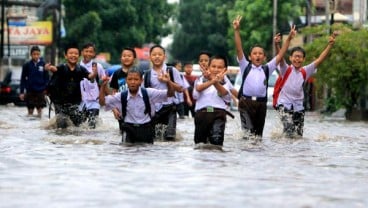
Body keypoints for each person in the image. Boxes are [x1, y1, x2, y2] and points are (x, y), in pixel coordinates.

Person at [233, 15, 295, 138]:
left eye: (260, 53)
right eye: (255, 53)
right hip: (246, 102)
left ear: (264, 57)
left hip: (261, 104)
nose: (258, 56)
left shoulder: (267, 68)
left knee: (258, 136)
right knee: (247, 134)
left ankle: (258, 155)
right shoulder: (245, 66)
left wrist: (288, 39)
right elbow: (239, 49)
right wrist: (236, 30)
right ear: (250, 57)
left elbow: (281, 54)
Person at [275, 33, 336, 137]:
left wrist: (330, 45)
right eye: (295, 57)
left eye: (300, 57)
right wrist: (277, 44)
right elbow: (280, 57)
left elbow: (319, 60)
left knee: (298, 135)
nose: (297, 59)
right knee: (289, 130)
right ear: (290, 58)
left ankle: (297, 152)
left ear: (303, 59)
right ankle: (285, 151)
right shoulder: (286, 69)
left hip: (298, 106)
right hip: (284, 104)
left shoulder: (305, 71)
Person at [99, 67, 175, 144]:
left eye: (136, 79)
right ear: (126, 80)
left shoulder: (149, 93)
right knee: (126, 151)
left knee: (148, 152)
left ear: (141, 81)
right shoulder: (121, 96)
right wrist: (102, 86)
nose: (133, 82)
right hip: (128, 130)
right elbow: (103, 102)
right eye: (130, 79)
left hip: (146, 129)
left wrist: (168, 82)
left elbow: (170, 94)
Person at [45, 43, 97, 129]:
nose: (73, 55)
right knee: (62, 123)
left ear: (79, 56)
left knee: (79, 124)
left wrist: (94, 73)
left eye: (76, 54)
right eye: (71, 53)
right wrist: (49, 68)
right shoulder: (62, 67)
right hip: (60, 102)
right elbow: (55, 69)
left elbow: (90, 77)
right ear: (66, 56)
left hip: (74, 103)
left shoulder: (80, 69)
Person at [144, 44, 184, 140]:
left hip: (169, 109)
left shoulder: (172, 70)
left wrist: (168, 81)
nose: (157, 57)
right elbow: (143, 94)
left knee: (170, 138)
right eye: (154, 55)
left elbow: (180, 89)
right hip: (153, 110)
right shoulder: (147, 74)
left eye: (159, 54)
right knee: (152, 138)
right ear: (150, 57)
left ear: (164, 57)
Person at [192, 55, 233, 146]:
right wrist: (212, 80)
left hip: (218, 115)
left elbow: (225, 94)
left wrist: (215, 82)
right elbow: (197, 91)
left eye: (219, 67)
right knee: (200, 144)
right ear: (208, 67)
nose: (216, 69)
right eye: (213, 66)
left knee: (216, 142)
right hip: (202, 114)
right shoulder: (200, 79)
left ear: (224, 70)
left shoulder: (225, 82)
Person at [109, 47, 137, 131]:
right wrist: (114, 109)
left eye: (129, 56)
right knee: (123, 132)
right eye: (124, 56)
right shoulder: (116, 74)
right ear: (121, 58)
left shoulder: (139, 72)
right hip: (121, 108)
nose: (126, 57)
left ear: (134, 59)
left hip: (136, 108)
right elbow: (114, 92)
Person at [79, 42, 106, 128]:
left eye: (91, 52)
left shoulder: (98, 66)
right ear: (82, 52)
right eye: (86, 51)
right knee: (79, 126)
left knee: (92, 125)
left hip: (94, 102)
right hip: (80, 102)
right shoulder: (77, 67)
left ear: (94, 54)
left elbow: (103, 81)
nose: (88, 54)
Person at [19, 46, 49, 118]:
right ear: (31, 55)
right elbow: (23, 79)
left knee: (40, 113)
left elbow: (47, 78)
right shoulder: (27, 65)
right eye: (34, 54)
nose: (36, 56)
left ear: (40, 54)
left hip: (41, 91)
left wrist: (47, 89)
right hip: (30, 91)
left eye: (38, 54)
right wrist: (22, 92)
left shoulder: (43, 64)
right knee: (30, 112)